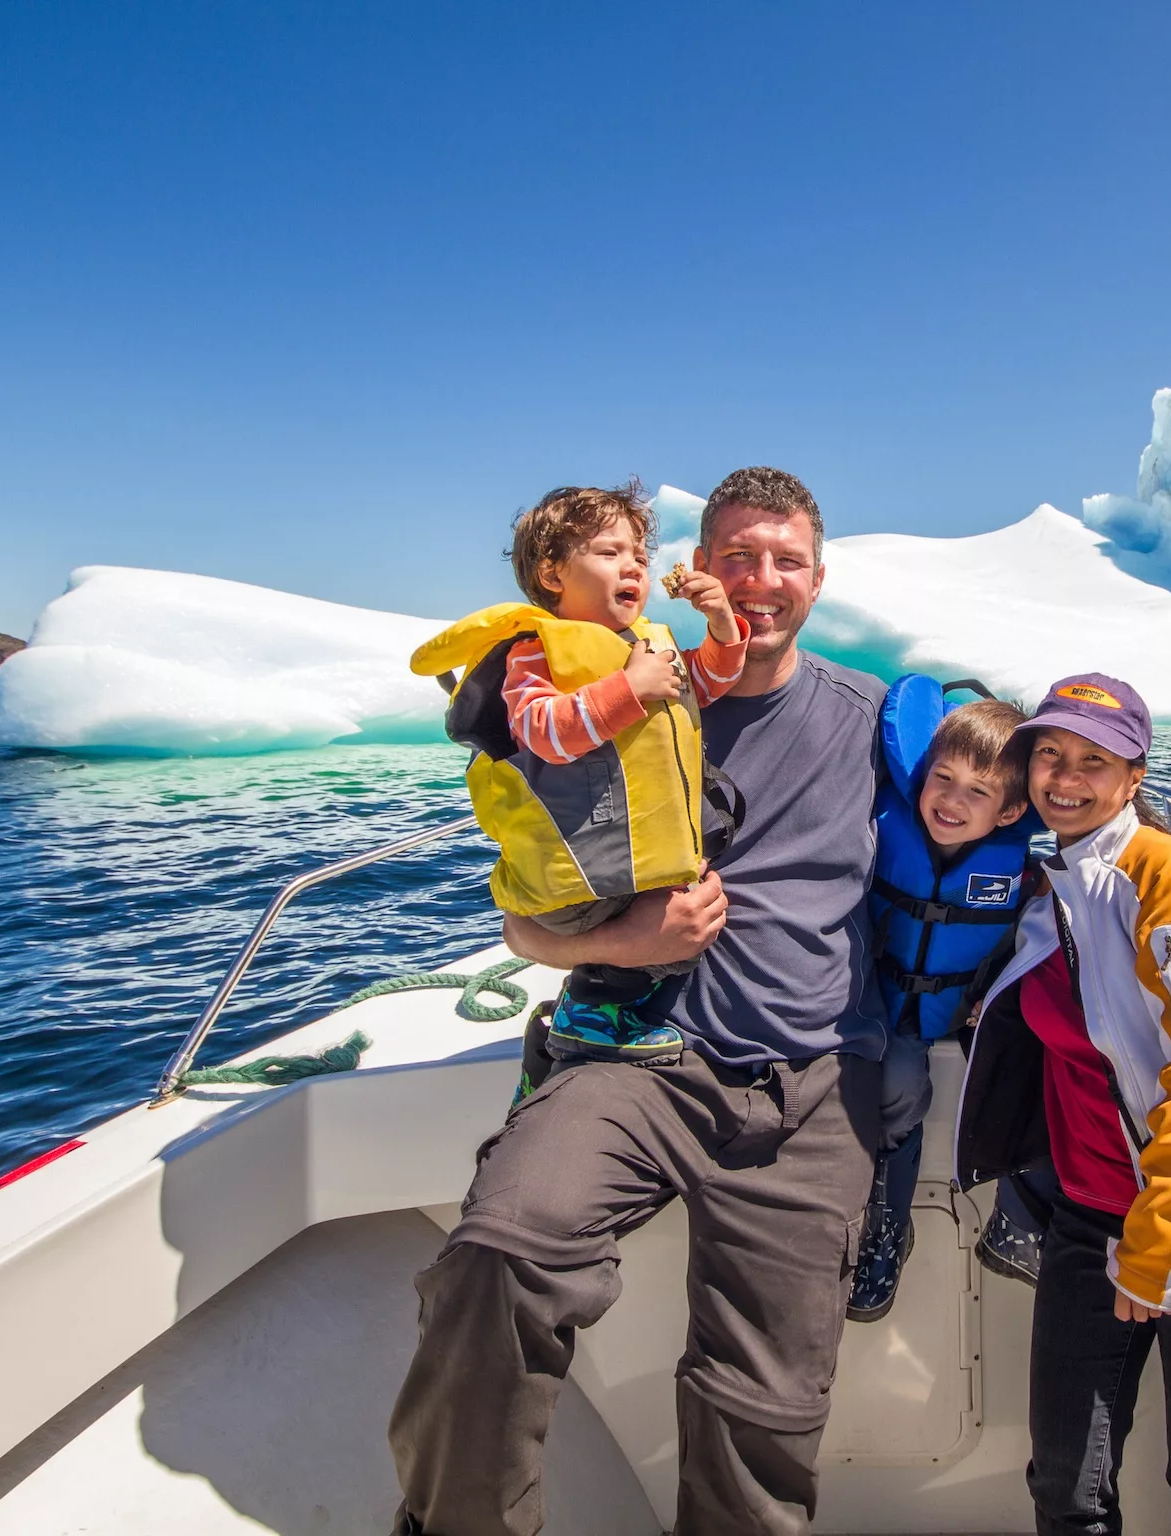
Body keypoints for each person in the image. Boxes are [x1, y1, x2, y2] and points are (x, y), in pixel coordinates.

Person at [387, 468, 889, 1536]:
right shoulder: (610, 698)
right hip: (634, 1056)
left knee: (766, 1403)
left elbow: (1015, 801)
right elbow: (524, 925)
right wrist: (630, 942)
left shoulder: (874, 723)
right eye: (736, 558)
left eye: (785, 561)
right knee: (496, 1260)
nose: (760, 581)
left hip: (809, 1087)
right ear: (697, 571)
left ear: (818, 579)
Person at [951, 672, 1171, 1535]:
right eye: (1049, 754)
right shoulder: (1052, 884)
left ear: (1134, 777)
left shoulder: (1170, 878)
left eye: (1094, 761)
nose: (1066, 778)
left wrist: (1160, 1238)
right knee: (1065, 1487)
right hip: (1089, 1215)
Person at [408, 481, 747, 1067]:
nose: (633, 566)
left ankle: (609, 1010)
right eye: (609, 552)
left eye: (639, 556)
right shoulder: (537, 650)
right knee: (675, 934)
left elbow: (709, 682)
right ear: (552, 573)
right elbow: (543, 730)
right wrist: (629, 689)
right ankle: (587, 1015)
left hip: (625, 866)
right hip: (583, 882)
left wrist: (721, 622)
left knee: (690, 919)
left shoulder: (647, 646)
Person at [849, 680, 1038, 1320]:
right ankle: (889, 1225)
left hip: (971, 1005)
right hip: (883, 1003)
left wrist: (999, 993)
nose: (952, 801)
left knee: (1039, 1071)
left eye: (978, 792)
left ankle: (1021, 1218)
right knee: (897, 1089)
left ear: (1010, 812)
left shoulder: (1024, 869)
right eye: (943, 778)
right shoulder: (881, 828)